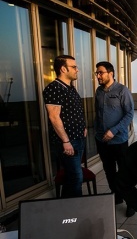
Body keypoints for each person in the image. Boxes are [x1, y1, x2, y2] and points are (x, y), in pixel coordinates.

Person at [94, 61, 135, 217]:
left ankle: (131, 202)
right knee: (109, 171)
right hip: (102, 140)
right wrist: (97, 133)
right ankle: (117, 196)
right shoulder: (98, 91)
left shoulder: (122, 91)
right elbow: (97, 114)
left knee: (124, 172)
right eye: (96, 73)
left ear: (110, 73)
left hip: (119, 140)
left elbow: (129, 114)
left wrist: (113, 130)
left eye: (101, 73)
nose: (98, 76)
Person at [43, 55, 87, 198]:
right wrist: (66, 141)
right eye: (74, 67)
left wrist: (83, 127)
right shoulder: (54, 88)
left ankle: (65, 208)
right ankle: (74, 211)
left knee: (72, 177)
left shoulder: (70, 88)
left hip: (78, 138)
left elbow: (73, 111)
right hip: (68, 141)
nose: (77, 70)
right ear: (63, 68)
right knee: (76, 177)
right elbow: (54, 117)